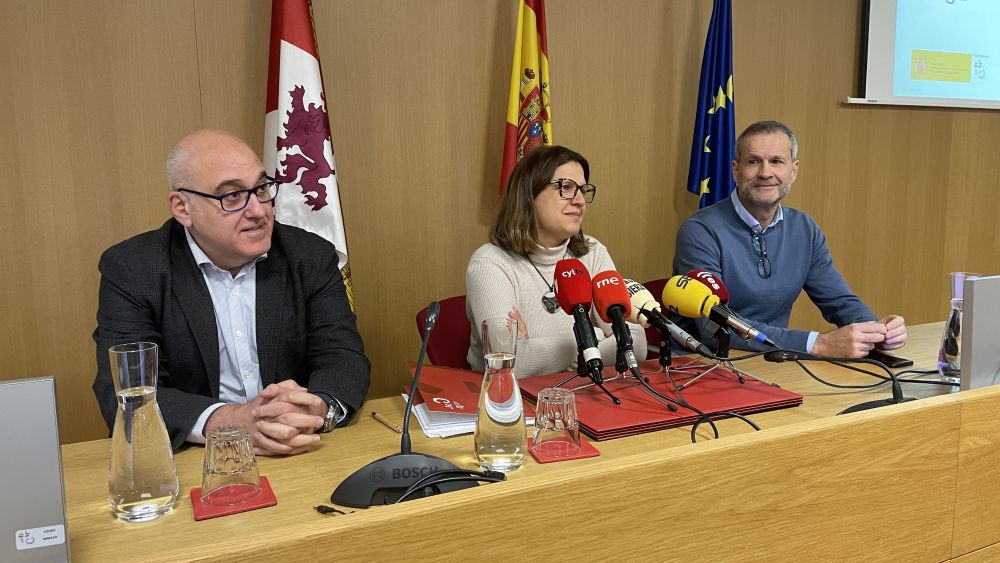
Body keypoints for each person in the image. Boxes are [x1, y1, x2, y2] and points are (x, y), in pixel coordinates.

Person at [92, 129, 370, 455]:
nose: (259, 211)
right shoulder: (134, 269)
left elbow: (343, 357)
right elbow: (126, 392)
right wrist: (231, 421)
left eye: (262, 189)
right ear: (183, 208)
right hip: (196, 458)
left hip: (299, 448)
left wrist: (315, 408)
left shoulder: (308, 256)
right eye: (233, 196)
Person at [673, 120, 907, 358]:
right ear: (735, 170)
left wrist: (874, 330)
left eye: (776, 161)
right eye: (753, 161)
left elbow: (838, 300)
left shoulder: (804, 228)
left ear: (793, 171)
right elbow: (713, 325)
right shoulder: (700, 230)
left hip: (771, 361)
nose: (765, 173)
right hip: (699, 363)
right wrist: (817, 344)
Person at [466, 145, 646, 377]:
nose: (580, 201)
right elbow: (512, 363)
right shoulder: (490, 263)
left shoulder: (592, 252)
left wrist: (542, 350)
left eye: (583, 190)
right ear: (529, 194)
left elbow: (636, 344)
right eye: (566, 188)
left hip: (579, 390)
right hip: (510, 396)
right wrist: (593, 338)